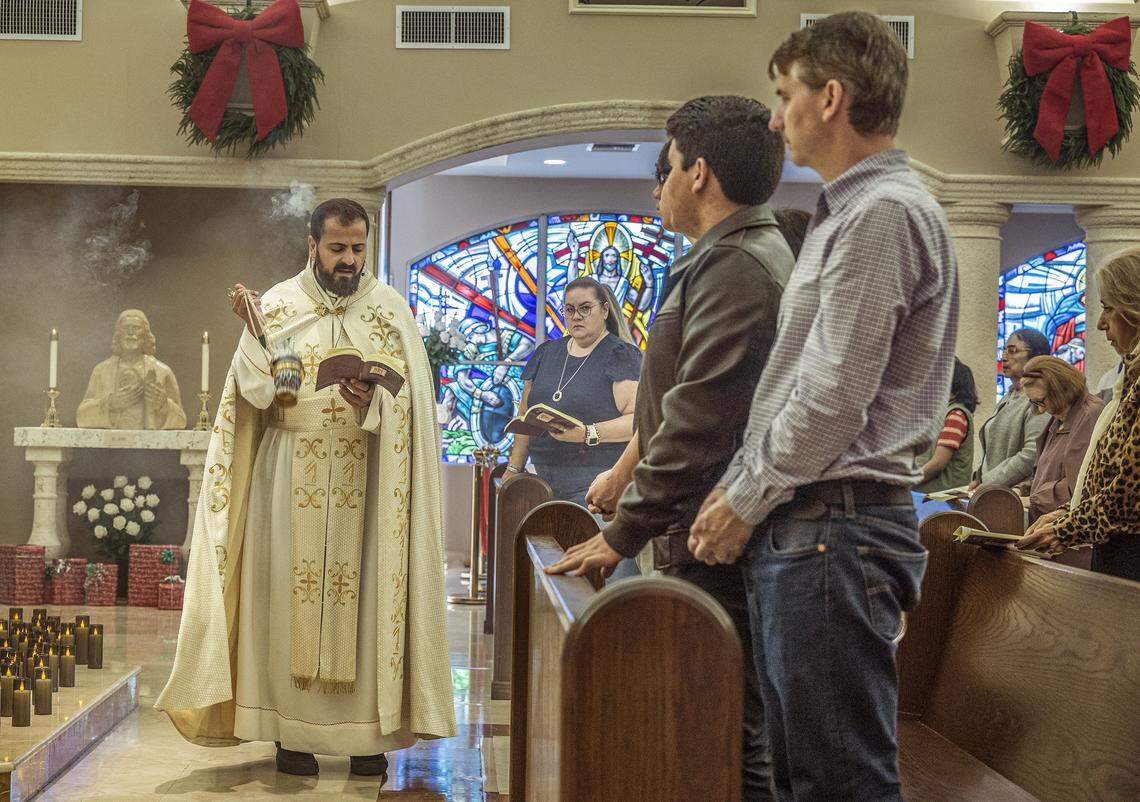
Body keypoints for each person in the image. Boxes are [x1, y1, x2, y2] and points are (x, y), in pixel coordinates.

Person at [685, 14, 957, 800]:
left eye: (784, 95)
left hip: (837, 531)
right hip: (818, 529)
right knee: (806, 775)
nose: (776, 118)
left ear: (830, 97)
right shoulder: (856, 211)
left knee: (837, 783)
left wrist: (742, 495)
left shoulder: (883, 214)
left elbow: (833, 398)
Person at [155, 199, 455, 776]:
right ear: (312, 245)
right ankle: (289, 733)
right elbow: (262, 396)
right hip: (288, 474)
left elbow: (415, 406)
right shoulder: (278, 306)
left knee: (367, 600)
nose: (348, 260)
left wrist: (378, 403)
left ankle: (368, 737)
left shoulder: (390, 311)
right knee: (281, 595)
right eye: (337, 248)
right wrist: (264, 347)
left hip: (368, 481)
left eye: (358, 249)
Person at [549, 95, 794, 801]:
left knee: (726, 729)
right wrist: (630, 471)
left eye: (673, 163)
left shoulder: (741, 264)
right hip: (705, 525)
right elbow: (680, 398)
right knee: (719, 722)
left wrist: (623, 534)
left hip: (725, 536)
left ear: (699, 173)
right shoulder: (725, 256)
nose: (662, 180)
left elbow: (702, 416)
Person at [504, 276, 642, 578]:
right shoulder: (545, 354)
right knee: (550, 581)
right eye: (569, 309)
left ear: (604, 310)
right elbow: (525, 413)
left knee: (602, 580)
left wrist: (587, 433)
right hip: (541, 486)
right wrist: (514, 471)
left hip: (596, 486)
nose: (576, 316)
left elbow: (637, 422)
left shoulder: (620, 354)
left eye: (585, 308)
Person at [1018, 247, 1140, 581]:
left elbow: (1130, 491)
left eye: (1108, 309)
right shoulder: (1131, 376)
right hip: (1117, 547)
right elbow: (1106, 481)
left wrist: (1069, 526)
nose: (1101, 324)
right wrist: (1065, 514)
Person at [1019, 356, 1104, 523]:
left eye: (1041, 401)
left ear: (1061, 389)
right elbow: (1046, 470)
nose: (1041, 409)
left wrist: (1034, 500)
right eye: (1033, 402)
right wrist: (1022, 491)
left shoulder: (1089, 414)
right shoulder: (1059, 416)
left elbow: (1081, 484)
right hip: (1045, 522)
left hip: (1070, 529)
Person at [76, 309, 187, 429]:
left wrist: (164, 405)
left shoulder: (162, 371)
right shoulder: (102, 371)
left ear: (145, 334)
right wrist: (111, 403)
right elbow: (82, 417)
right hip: (110, 445)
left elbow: (181, 421)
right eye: (126, 328)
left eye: (136, 328)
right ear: (118, 334)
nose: (130, 333)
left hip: (151, 445)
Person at [970, 328, 1051, 489]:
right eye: (1004, 351)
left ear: (1036, 356)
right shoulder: (1009, 396)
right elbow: (992, 444)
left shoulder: (1039, 398)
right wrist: (979, 477)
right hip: (992, 489)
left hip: (1015, 495)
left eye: (1012, 351)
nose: (1004, 357)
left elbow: (1031, 454)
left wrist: (989, 482)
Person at [916, 358, 978, 494]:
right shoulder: (944, 412)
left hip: (942, 498)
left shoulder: (956, 415)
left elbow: (938, 464)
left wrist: (905, 481)